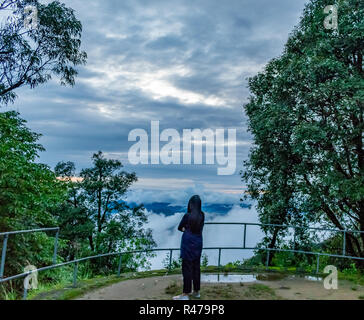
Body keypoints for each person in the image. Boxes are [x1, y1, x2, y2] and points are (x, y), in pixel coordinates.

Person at [173, 195, 205, 300]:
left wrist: (186, 230)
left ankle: (185, 294)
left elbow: (179, 227)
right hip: (198, 243)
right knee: (196, 268)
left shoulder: (187, 216)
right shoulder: (202, 215)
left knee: (187, 269)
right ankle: (196, 292)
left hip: (188, 244)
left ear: (190, 204)